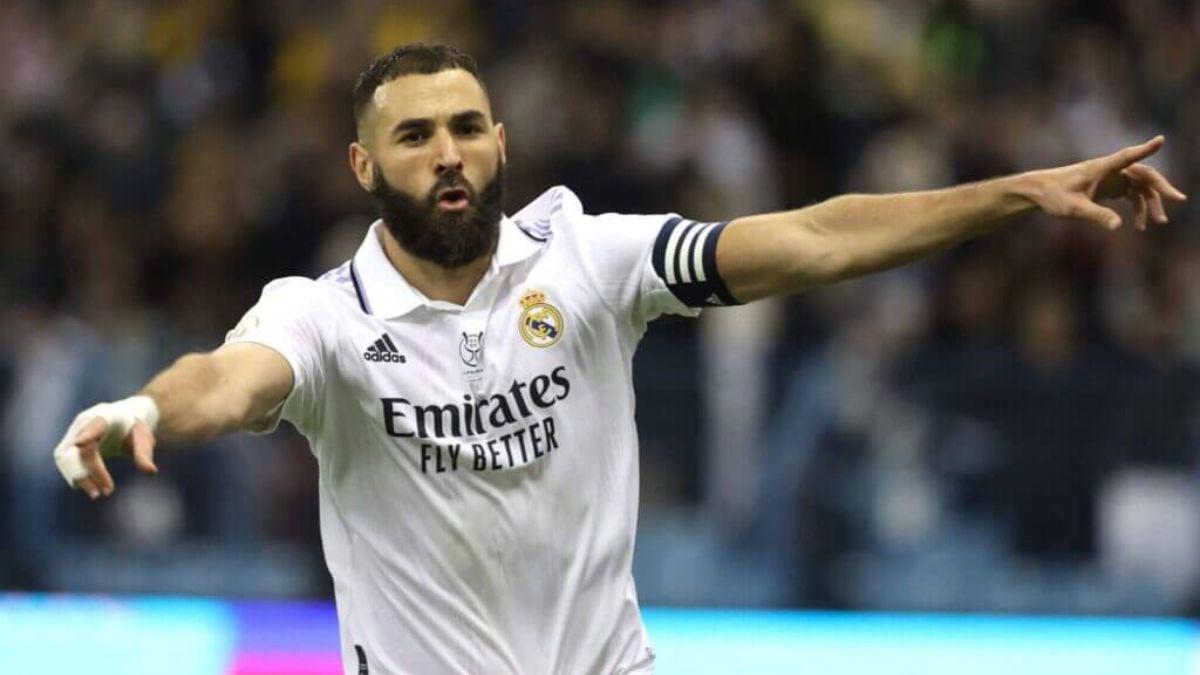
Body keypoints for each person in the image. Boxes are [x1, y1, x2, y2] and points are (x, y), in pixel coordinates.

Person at [51, 43, 1186, 674]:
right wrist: (144, 408)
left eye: (466, 128)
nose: (447, 154)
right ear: (362, 166)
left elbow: (814, 238)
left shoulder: (587, 259)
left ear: (500, 141)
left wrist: (1012, 193)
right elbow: (227, 380)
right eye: (414, 135)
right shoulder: (325, 315)